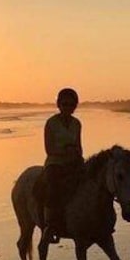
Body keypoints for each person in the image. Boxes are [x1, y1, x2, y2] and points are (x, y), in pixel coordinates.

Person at [41, 88, 83, 243]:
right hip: (55, 163)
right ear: (58, 104)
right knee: (52, 188)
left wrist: (76, 153)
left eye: (71, 104)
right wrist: (65, 151)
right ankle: (50, 226)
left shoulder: (77, 124)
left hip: (73, 162)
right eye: (64, 104)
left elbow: (79, 145)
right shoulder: (51, 123)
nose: (68, 107)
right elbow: (48, 148)